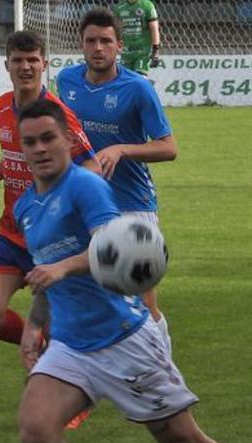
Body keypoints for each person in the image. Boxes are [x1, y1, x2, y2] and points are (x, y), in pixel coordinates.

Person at [10, 96, 252, 443]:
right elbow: (48, 273)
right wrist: (35, 321)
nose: (39, 149)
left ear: (70, 141)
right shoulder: (26, 205)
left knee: (184, 442)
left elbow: (114, 247)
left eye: (48, 138)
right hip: (72, 346)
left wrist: (64, 266)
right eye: (29, 141)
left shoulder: (86, 187)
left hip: (124, 339)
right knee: (35, 429)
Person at [55, 8, 177, 342]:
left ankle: (162, 366)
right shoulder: (66, 81)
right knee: (85, 294)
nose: (98, 48)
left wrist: (121, 149)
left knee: (142, 297)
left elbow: (169, 147)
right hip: (85, 204)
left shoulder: (137, 88)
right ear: (81, 45)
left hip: (132, 203)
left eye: (106, 41)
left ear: (120, 46)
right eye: (91, 41)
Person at [0, 29, 97, 347]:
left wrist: (61, 207)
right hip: (12, 232)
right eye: (18, 60)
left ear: (45, 64)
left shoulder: (59, 116)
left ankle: (54, 361)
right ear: (7, 65)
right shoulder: (2, 107)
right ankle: (39, 346)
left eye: (32, 60)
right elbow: (16, 155)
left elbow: (92, 167)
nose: (25, 67)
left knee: (65, 336)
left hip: (54, 239)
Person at [113, 0, 162, 75]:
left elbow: (154, 28)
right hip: (126, 52)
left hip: (142, 51)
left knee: (139, 78)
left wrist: (155, 50)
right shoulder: (119, 8)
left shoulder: (147, 5)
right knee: (125, 80)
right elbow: (115, 30)